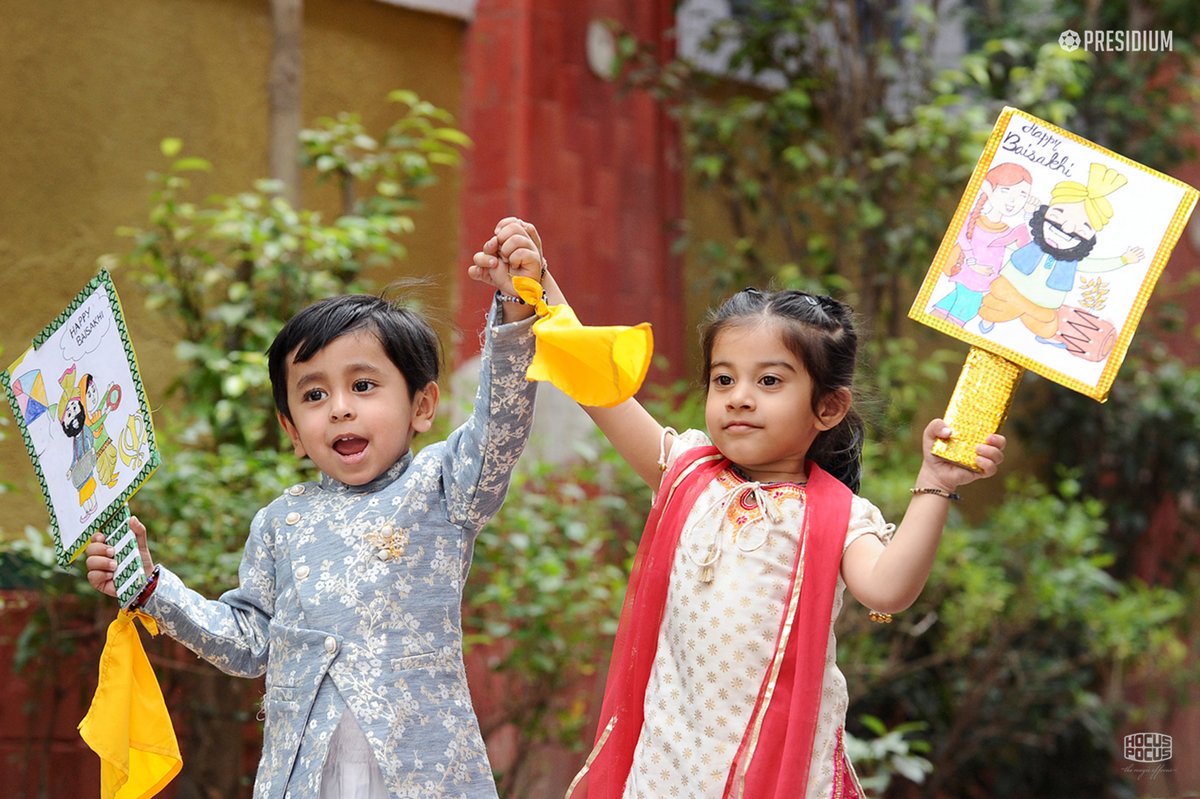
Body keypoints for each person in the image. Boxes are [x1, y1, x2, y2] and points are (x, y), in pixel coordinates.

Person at [473, 224, 1004, 799]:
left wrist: (934, 483)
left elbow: (888, 590)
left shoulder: (837, 514)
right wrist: (539, 288)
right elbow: (598, 386)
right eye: (723, 378)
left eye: (769, 380)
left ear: (828, 406)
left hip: (775, 777)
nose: (739, 396)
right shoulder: (686, 473)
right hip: (666, 771)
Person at [83, 220, 548, 799]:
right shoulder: (281, 522)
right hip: (304, 776)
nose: (340, 410)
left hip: (424, 771)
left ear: (422, 404)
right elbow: (251, 644)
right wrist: (151, 587)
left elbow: (500, 425)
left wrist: (513, 310)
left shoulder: (443, 487)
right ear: (292, 431)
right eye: (314, 394)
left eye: (364, 385)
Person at [931, 162, 1033, 327]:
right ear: (988, 189)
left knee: (950, 304)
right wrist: (973, 263)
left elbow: (1026, 249)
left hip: (985, 279)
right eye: (1005, 190)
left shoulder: (1009, 230)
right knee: (967, 307)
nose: (1013, 200)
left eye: (1022, 194)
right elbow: (962, 238)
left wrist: (1029, 214)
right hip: (968, 274)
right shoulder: (973, 218)